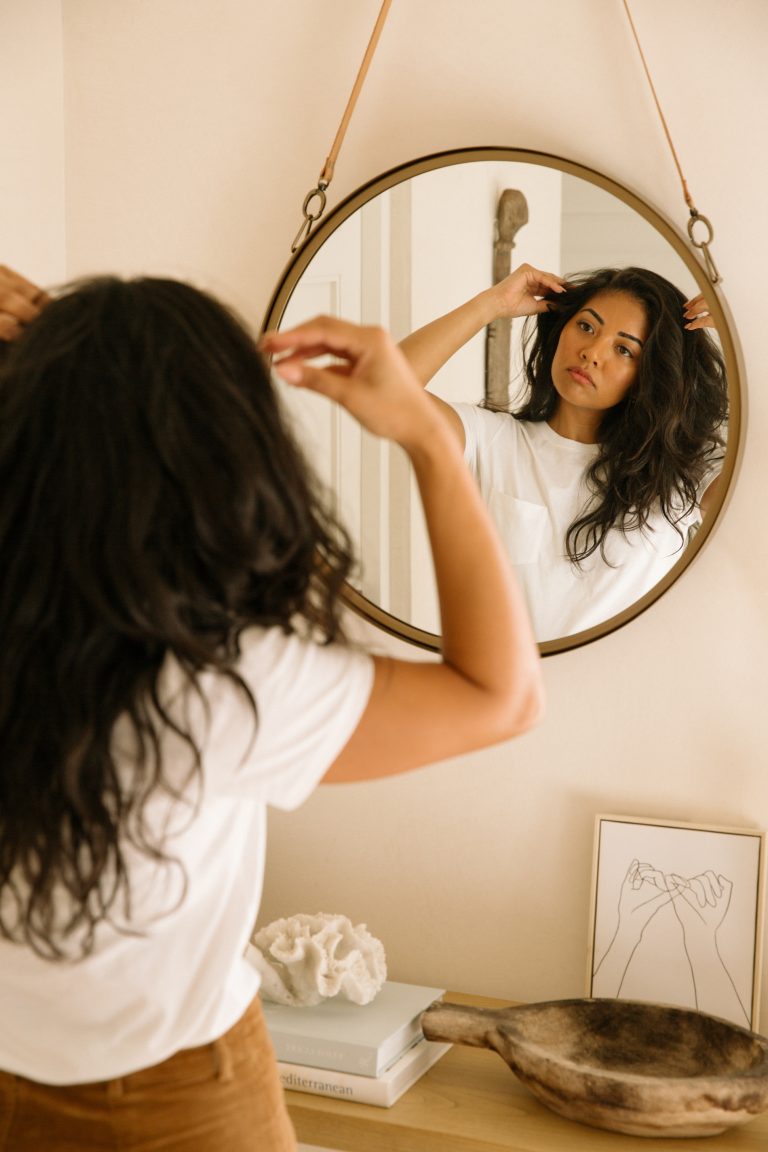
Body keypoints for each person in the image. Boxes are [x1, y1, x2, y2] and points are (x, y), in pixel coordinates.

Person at [0, 263, 542, 1151]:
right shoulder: (216, 682)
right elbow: (502, 695)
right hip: (179, 1100)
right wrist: (429, 442)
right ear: (226, 462)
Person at [400, 263, 729, 642]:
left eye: (623, 349)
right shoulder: (493, 441)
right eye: (586, 326)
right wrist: (490, 304)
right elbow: (382, 387)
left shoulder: (683, 471)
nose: (591, 352)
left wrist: (746, 338)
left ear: (650, 373)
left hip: (631, 696)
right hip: (509, 695)